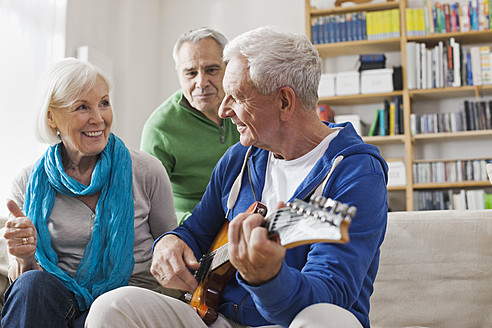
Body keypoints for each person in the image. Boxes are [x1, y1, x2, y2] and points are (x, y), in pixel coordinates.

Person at [85, 26, 388, 328]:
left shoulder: (354, 173)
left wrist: (269, 279)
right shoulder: (240, 158)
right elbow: (196, 230)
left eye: (237, 96)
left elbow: (330, 293)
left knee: (325, 321)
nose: (224, 109)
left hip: (289, 322)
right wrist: (171, 242)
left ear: (284, 101)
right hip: (217, 317)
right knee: (113, 306)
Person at [1, 58, 177, 328]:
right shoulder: (27, 182)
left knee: (109, 309)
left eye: (104, 103)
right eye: (82, 107)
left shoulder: (146, 171)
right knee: (31, 285)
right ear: (51, 116)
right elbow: (24, 285)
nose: (99, 118)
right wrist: (24, 257)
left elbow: (170, 246)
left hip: (129, 302)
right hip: (60, 304)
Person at [140, 27, 240, 225]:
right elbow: (146, 205)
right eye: (191, 73)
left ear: (228, 67)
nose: (201, 82)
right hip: (194, 225)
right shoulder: (159, 128)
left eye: (211, 70)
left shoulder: (245, 105)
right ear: (179, 75)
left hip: (246, 212)